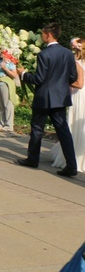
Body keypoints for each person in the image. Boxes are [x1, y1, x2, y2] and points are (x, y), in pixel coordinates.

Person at [17, 22, 79, 177]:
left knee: (37, 128)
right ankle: (71, 166)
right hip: (60, 97)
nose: (41, 36)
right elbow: (72, 77)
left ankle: (33, 159)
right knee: (63, 131)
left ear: (48, 34)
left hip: (44, 97)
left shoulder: (44, 54)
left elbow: (39, 78)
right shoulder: (67, 54)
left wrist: (24, 74)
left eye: (43, 34)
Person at [50, 37, 85, 172]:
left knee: (72, 123)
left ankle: (71, 157)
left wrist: (64, 82)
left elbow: (80, 84)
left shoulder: (77, 63)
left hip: (78, 96)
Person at [0, 49, 20, 132]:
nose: (0, 53)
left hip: (6, 84)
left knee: (7, 105)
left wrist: (5, 68)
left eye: (2, 52)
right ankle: (1, 124)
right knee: (1, 105)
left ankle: (9, 125)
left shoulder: (10, 63)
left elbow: (14, 75)